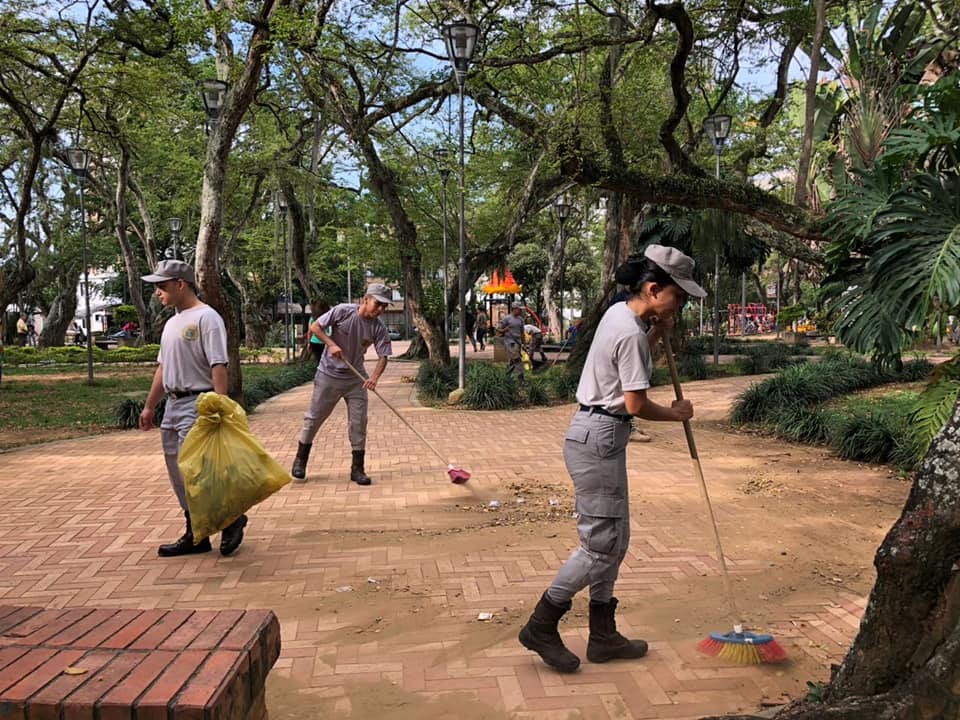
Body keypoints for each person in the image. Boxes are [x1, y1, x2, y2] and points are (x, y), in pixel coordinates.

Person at [518, 244, 705, 674]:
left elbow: (633, 354)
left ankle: (602, 635)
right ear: (655, 289)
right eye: (678, 296)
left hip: (598, 435)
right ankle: (541, 624)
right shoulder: (629, 332)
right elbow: (636, 403)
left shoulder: (620, 314)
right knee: (600, 546)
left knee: (615, 542)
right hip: (599, 437)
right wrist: (675, 415)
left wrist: (658, 330)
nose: (680, 304)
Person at [138, 260, 249, 558]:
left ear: (180, 284)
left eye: (162, 286)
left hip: (199, 404)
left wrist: (220, 407)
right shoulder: (172, 322)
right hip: (172, 407)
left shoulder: (207, 318)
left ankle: (231, 520)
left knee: (202, 472)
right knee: (179, 473)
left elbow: (218, 364)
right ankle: (197, 533)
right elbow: (163, 368)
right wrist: (150, 406)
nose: (157, 292)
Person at [290, 283, 393, 486]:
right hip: (328, 375)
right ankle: (300, 459)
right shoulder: (343, 311)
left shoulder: (378, 328)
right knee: (314, 418)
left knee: (359, 422)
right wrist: (331, 343)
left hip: (356, 380)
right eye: (378, 304)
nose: (380, 309)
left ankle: (357, 469)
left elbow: (383, 356)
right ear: (366, 299)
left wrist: (374, 377)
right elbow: (315, 327)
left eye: (385, 306)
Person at [496, 302, 525, 378]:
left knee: (513, 360)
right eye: (519, 309)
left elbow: (522, 333)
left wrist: (524, 344)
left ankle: (506, 376)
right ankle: (521, 378)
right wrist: (504, 330)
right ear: (514, 309)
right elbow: (498, 329)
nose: (521, 311)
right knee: (517, 359)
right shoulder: (507, 318)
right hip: (510, 342)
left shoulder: (521, 320)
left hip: (518, 342)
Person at [305, 299, 331, 364]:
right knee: (327, 361)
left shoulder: (312, 318)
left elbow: (309, 332)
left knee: (319, 360)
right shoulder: (329, 317)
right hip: (326, 342)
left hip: (314, 342)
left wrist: (308, 343)